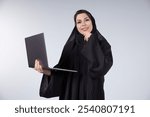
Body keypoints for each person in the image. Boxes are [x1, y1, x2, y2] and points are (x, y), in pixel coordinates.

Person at [34, 9, 113, 100]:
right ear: (76, 26)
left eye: (86, 20)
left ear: (93, 22)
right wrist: (45, 70)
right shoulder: (71, 45)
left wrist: (91, 41)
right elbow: (62, 71)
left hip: (91, 93)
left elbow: (101, 69)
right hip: (70, 93)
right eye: (79, 22)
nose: (83, 24)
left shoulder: (102, 43)